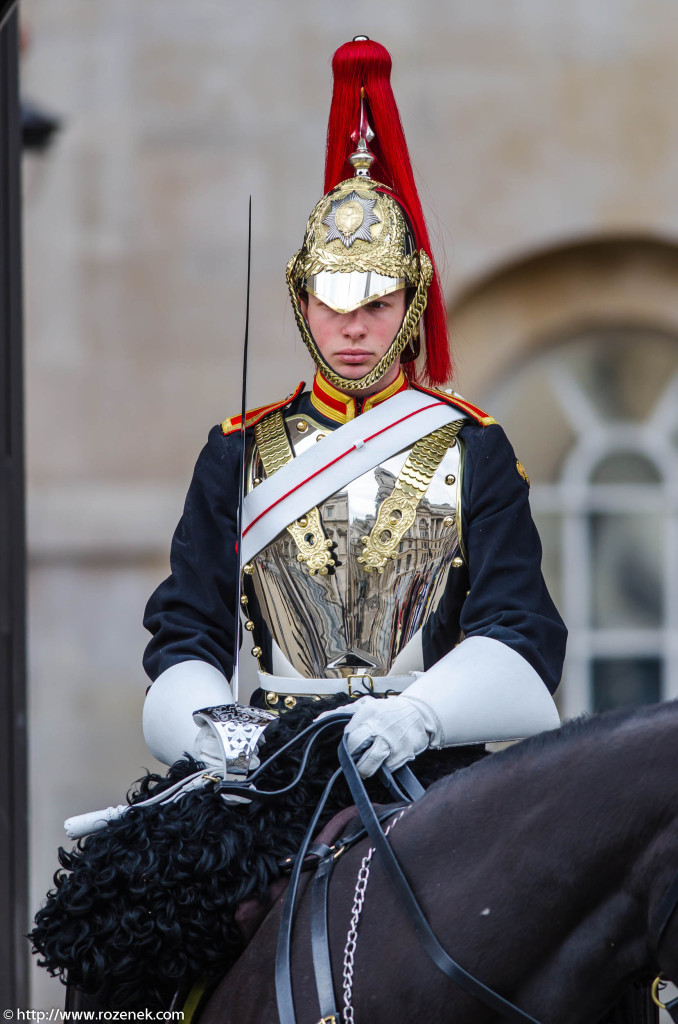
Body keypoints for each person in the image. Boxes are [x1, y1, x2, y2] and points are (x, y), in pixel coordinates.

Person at [141, 37, 566, 781]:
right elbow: (187, 634)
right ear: (302, 300)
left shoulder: (473, 448)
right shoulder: (238, 451)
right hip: (270, 766)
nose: (353, 328)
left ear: (411, 301)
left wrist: (421, 716)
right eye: (332, 303)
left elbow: (520, 629)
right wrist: (217, 736)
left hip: (426, 758)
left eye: (377, 303)